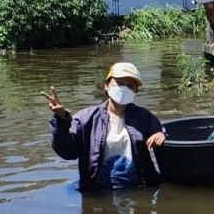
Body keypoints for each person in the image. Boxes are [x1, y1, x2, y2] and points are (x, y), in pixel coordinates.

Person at [42, 61, 166, 191]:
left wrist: (160, 134)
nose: (124, 89)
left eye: (130, 86)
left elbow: (160, 133)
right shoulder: (86, 118)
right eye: (120, 83)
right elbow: (67, 152)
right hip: (98, 193)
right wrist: (61, 119)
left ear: (136, 92)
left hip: (139, 191)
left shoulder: (143, 117)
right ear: (106, 85)